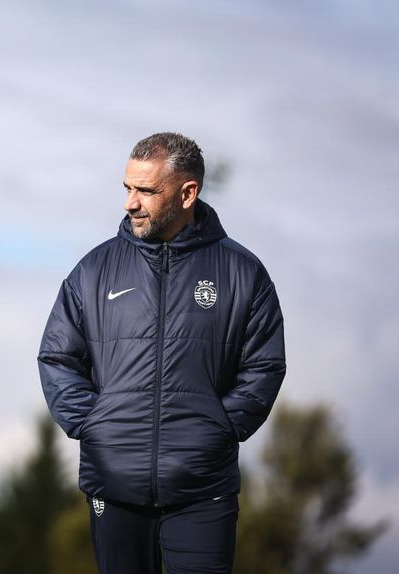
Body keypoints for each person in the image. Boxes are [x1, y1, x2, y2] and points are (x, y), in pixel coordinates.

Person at [37, 132, 286, 574]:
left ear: (187, 193)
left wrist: (217, 430)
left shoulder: (243, 273)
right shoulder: (93, 272)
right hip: (112, 487)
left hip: (203, 490)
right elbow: (58, 358)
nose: (130, 203)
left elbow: (264, 365)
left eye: (146, 191)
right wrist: (95, 426)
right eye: (127, 188)